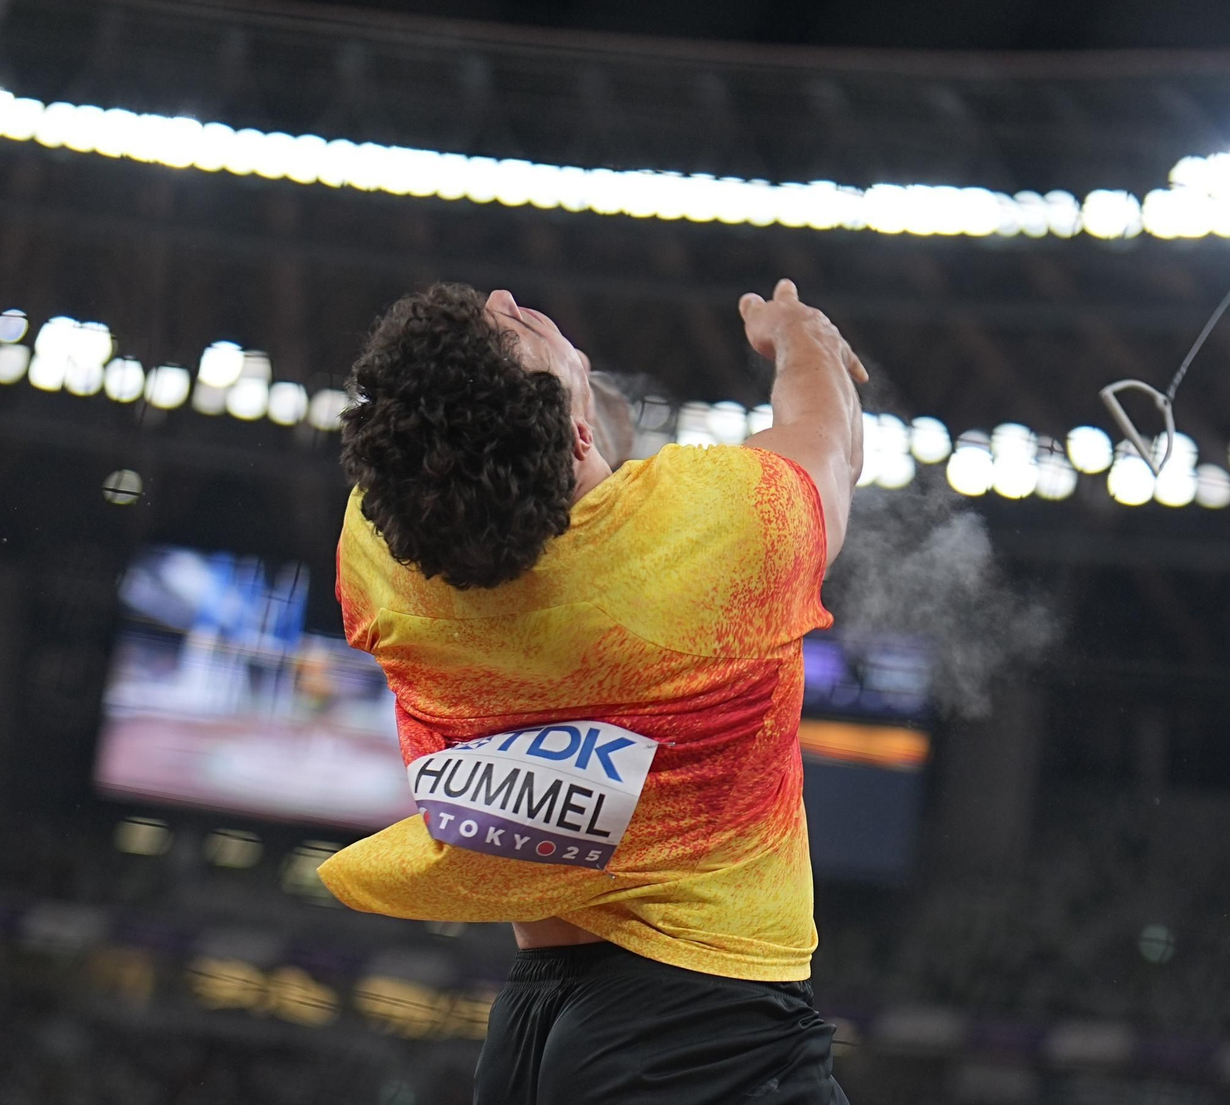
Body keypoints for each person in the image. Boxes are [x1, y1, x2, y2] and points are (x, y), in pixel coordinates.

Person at [317, 278, 866, 1104]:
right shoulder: (716, 538)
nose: (505, 295)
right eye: (520, 326)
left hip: (527, 1040)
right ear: (577, 438)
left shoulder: (379, 554)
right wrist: (801, 337)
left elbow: (486, 481)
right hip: (704, 1032)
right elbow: (830, 442)